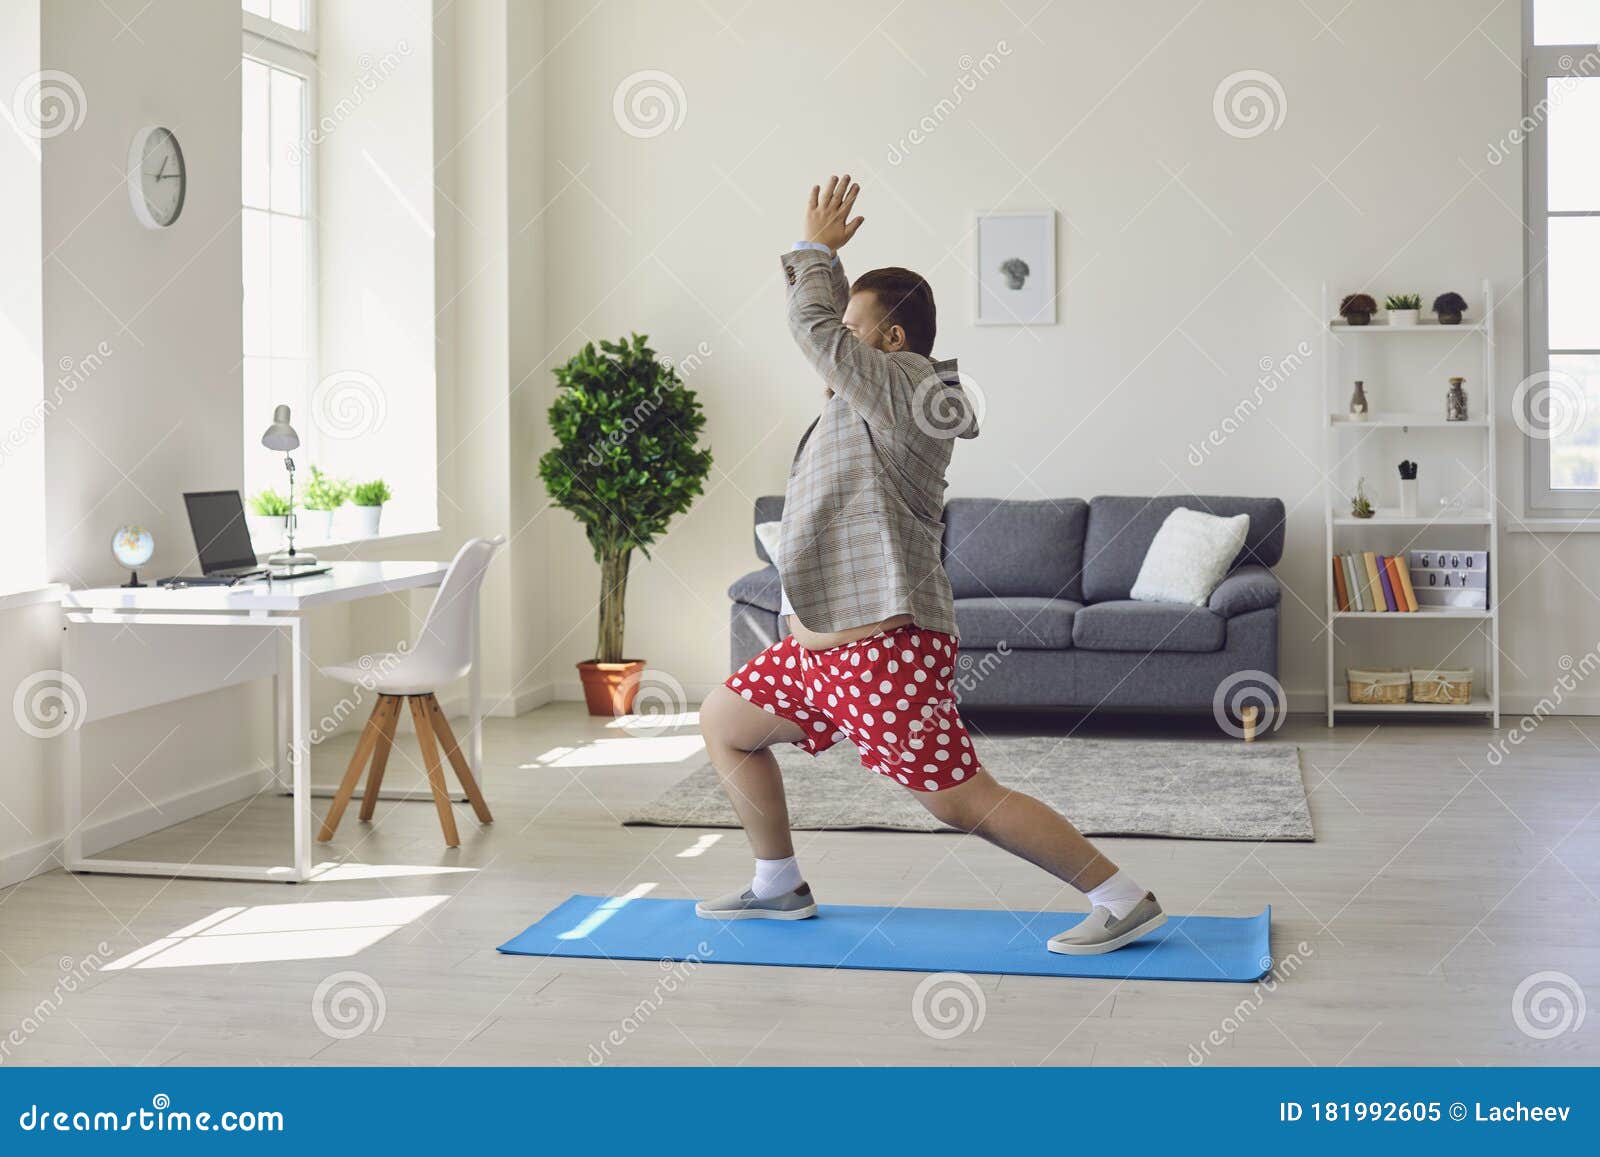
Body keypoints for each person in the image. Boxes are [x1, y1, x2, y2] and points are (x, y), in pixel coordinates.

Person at [695, 175, 1164, 955]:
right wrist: (828, 269)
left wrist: (814, 250)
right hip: (816, 655)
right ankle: (779, 884)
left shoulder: (911, 391)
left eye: (857, 330)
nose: (838, 343)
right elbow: (831, 332)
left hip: (879, 651)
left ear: (893, 342)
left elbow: (817, 331)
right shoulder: (864, 397)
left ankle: (1120, 896)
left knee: (958, 798)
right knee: (725, 721)